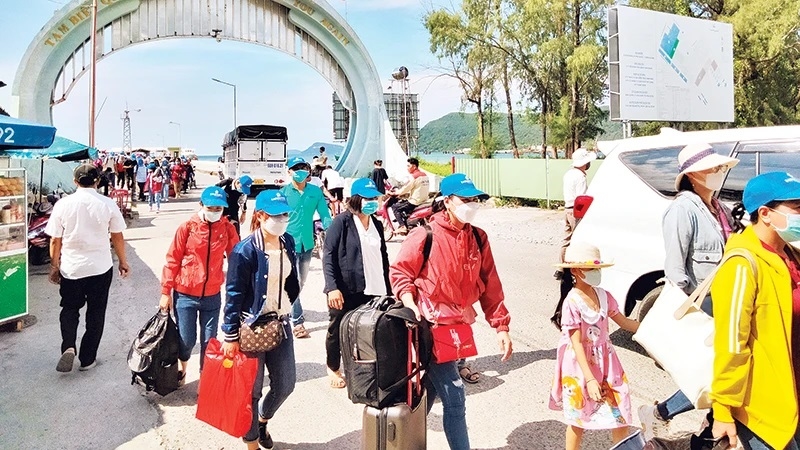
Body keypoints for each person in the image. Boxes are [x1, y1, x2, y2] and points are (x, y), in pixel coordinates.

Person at [390, 173, 512, 450]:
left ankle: (404, 439)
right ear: (447, 202)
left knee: (431, 389)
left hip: (458, 326)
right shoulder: (425, 234)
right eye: (465, 199)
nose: (472, 204)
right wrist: (409, 302)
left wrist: (501, 325)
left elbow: (491, 284)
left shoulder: (479, 238)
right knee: (455, 392)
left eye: (475, 199)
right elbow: (401, 272)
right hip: (429, 325)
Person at [638, 143, 739, 439]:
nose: (718, 172)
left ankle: (708, 428)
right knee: (710, 373)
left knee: (719, 372)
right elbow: (675, 268)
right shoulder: (682, 209)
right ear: (693, 175)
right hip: (704, 307)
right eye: (712, 168)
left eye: (720, 167)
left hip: (726, 304)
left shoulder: (719, 208)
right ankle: (664, 414)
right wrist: (684, 311)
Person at [710, 172, 800, 450]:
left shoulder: (790, 255)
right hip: (767, 413)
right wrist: (723, 409)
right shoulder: (742, 264)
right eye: (797, 207)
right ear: (765, 213)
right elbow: (731, 343)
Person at [221, 190, 301, 450]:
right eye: (275, 215)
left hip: (280, 324)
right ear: (260, 215)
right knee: (251, 392)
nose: (281, 219)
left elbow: (291, 281)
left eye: (285, 214)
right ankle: (252, 442)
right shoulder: (245, 251)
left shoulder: (287, 241)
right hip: (252, 328)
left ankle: (264, 420)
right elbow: (233, 295)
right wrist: (230, 335)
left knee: (286, 383)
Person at [549, 242, 640, 450]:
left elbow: (624, 322)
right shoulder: (571, 302)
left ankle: (621, 447)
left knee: (621, 406)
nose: (596, 273)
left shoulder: (604, 295)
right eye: (591, 268)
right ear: (576, 270)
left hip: (607, 362)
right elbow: (577, 343)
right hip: (580, 365)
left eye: (597, 268)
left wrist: (650, 329)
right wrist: (589, 379)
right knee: (579, 417)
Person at [45, 164, 130, 372]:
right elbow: (117, 236)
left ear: (75, 182)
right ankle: (87, 359)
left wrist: (54, 266)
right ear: (97, 181)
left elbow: (55, 240)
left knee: (69, 308)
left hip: (71, 268)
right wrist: (123, 261)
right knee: (96, 312)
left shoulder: (63, 205)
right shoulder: (107, 204)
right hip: (100, 267)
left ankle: (68, 346)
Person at [160, 186, 239, 380]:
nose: (214, 212)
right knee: (187, 340)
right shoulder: (187, 227)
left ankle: (206, 378)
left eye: (219, 209)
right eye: (211, 208)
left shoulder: (227, 228)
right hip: (185, 294)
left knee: (209, 341)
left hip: (212, 296)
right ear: (201, 205)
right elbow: (173, 259)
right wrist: (165, 292)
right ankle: (182, 368)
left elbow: (236, 258)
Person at [322, 178, 391, 389]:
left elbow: (383, 256)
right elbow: (328, 254)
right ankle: (333, 366)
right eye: (368, 198)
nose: (373, 202)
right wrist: (332, 287)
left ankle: (366, 369)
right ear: (356, 199)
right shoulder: (341, 222)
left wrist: (389, 289)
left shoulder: (376, 224)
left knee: (369, 329)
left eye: (375, 198)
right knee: (339, 329)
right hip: (346, 288)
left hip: (375, 287)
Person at [280, 157, 332, 339]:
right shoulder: (283, 193)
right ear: (289, 172)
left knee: (300, 282)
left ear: (309, 171)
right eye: (296, 169)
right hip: (287, 243)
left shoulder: (315, 192)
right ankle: (298, 321)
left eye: (303, 168)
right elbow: (275, 217)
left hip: (307, 244)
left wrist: (332, 232)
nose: (300, 171)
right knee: (293, 281)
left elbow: (325, 215)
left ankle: (287, 305)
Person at [557, 148, 597, 279]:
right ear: (585, 163)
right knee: (578, 239)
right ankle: (577, 267)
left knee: (566, 239)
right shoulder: (580, 176)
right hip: (576, 210)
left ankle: (561, 267)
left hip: (567, 208)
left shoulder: (568, 174)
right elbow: (581, 197)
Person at [389, 157, 430, 233]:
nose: (407, 168)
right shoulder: (425, 175)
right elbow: (416, 187)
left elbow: (406, 188)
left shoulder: (414, 176)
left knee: (395, 207)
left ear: (414, 167)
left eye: (408, 166)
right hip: (424, 200)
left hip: (415, 201)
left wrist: (395, 193)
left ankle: (402, 226)